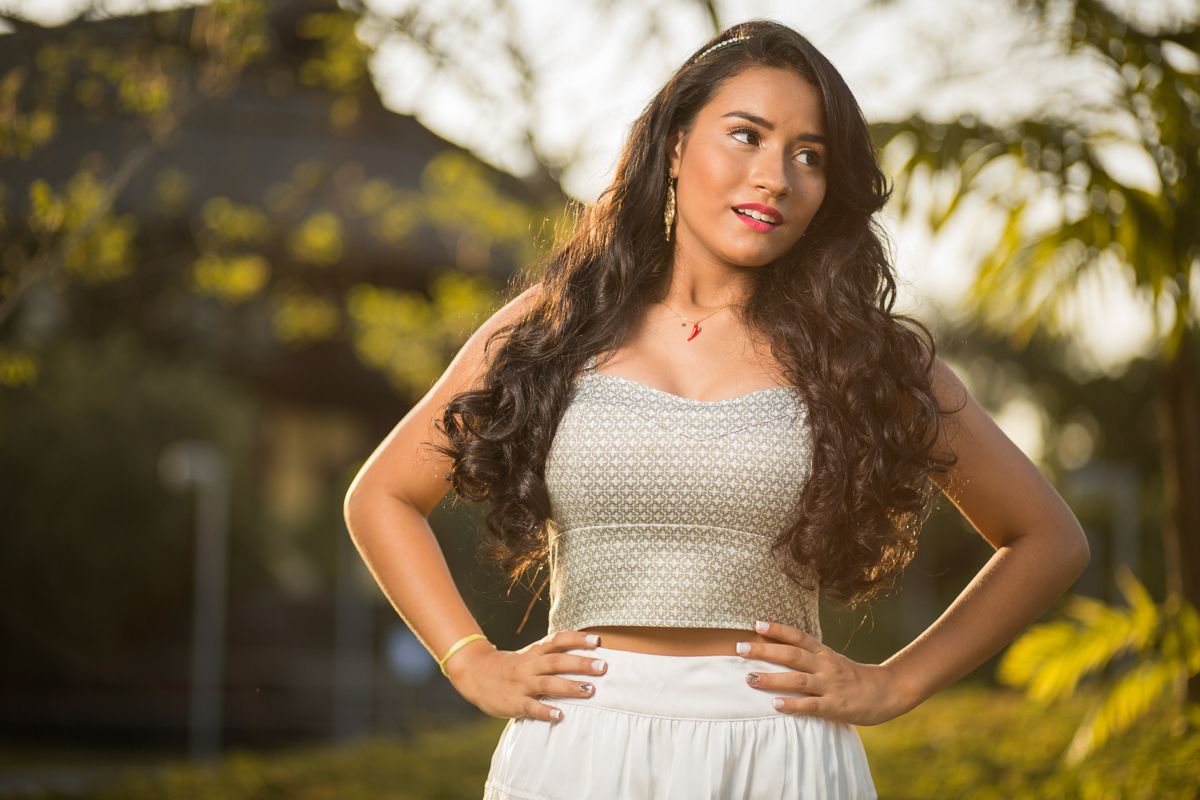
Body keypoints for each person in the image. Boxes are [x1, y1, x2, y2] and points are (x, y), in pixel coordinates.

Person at [343, 19, 1090, 800]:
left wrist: (895, 684)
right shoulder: (554, 323)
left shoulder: (862, 355)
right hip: (578, 747)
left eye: (809, 156)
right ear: (673, 146)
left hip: (781, 751)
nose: (775, 176)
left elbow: (1048, 539)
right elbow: (383, 497)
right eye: (746, 136)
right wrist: (469, 657)